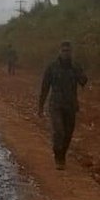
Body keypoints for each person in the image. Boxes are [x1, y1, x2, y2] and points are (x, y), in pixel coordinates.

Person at [38, 41, 87, 169]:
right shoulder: (52, 67)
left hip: (71, 105)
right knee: (59, 131)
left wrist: (78, 71)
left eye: (68, 51)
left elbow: (83, 81)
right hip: (56, 105)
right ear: (60, 51)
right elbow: (44, 87)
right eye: (64, 51)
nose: (66, 53)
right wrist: (40, 107)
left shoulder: (75, 66)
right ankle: (58, 157)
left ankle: (62, 156)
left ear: (71, 52)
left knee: (68, 134)